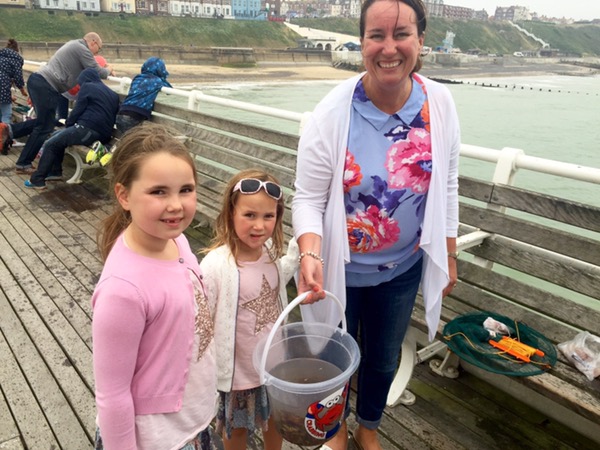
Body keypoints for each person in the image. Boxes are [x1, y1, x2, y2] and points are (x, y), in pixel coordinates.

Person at [291, 1, 460, 449]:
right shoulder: (332, 112)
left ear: (420, 40)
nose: (389, 48)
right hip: (337, 271)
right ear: (362, 41)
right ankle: (335, 428)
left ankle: (368, 427)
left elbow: (448, 184)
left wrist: (449, 253)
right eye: (376, 35)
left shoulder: (440, 103)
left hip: (402, 268)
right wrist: (310, 253)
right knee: (332, 358)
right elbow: (307, 198)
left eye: (401, 34)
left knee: (384, 359)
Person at [92, 122, 217, 450]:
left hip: (191, 419)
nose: (176, 204)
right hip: (158, 437)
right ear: (124, 195)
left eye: (185, 190)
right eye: (159, 192)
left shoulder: (177, 241)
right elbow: (112, 394)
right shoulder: (122, 290)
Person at [200, 169, 299, 450]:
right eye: (249, 215)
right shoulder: (215, 265)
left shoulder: (270, 253)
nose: (259, 226)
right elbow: (202, 318)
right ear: (231, 213)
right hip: (238, 373)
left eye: (268, 216)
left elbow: (274, 282)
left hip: (273, 365)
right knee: (237, 429)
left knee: (276, 420)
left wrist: (298, 254)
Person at [0, 32, 114, 174]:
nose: (97, 52)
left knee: (44, 123)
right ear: (93, 42)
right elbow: (99, 72)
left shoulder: (74, 44)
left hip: (40, 81)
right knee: (44, 127)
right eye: (99, 49)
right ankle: (23, 163)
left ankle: (9, 131)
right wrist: (109, 69)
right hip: (46, 85)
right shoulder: (82, 49)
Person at [24, 68, 120, 189]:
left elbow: (77, 110)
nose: (80, 86)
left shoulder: (88, 87)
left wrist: (69, 124)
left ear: (84, 80)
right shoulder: (113, 94)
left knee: (50, 144)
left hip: (87, 129)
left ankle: (38, 179)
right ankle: (55, 172)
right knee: (56, 137)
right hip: (104, 135)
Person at [116, 57, 171, 135]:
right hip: (134, 116)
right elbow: (169, 90)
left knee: (125, 139)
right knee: (133, 140)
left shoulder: (138, 77)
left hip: (121, 112)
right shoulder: (157, 81)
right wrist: (163, 78)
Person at [56, 54, 109, 125]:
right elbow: (101, 73)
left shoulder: (86, 60)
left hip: (65, 88)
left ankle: (61, 120)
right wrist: (109, 70)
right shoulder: (99, 61)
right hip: (77, 90)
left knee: (62, 117)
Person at [0, 39, 27, 125]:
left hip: (3, 89)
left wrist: (10, 96)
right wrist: (22, 90)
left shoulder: (1, 55)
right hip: (3, 88)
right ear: (17, 50)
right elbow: (17, 77)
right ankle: (4, 132)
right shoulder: (16, 58)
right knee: (6, 114)